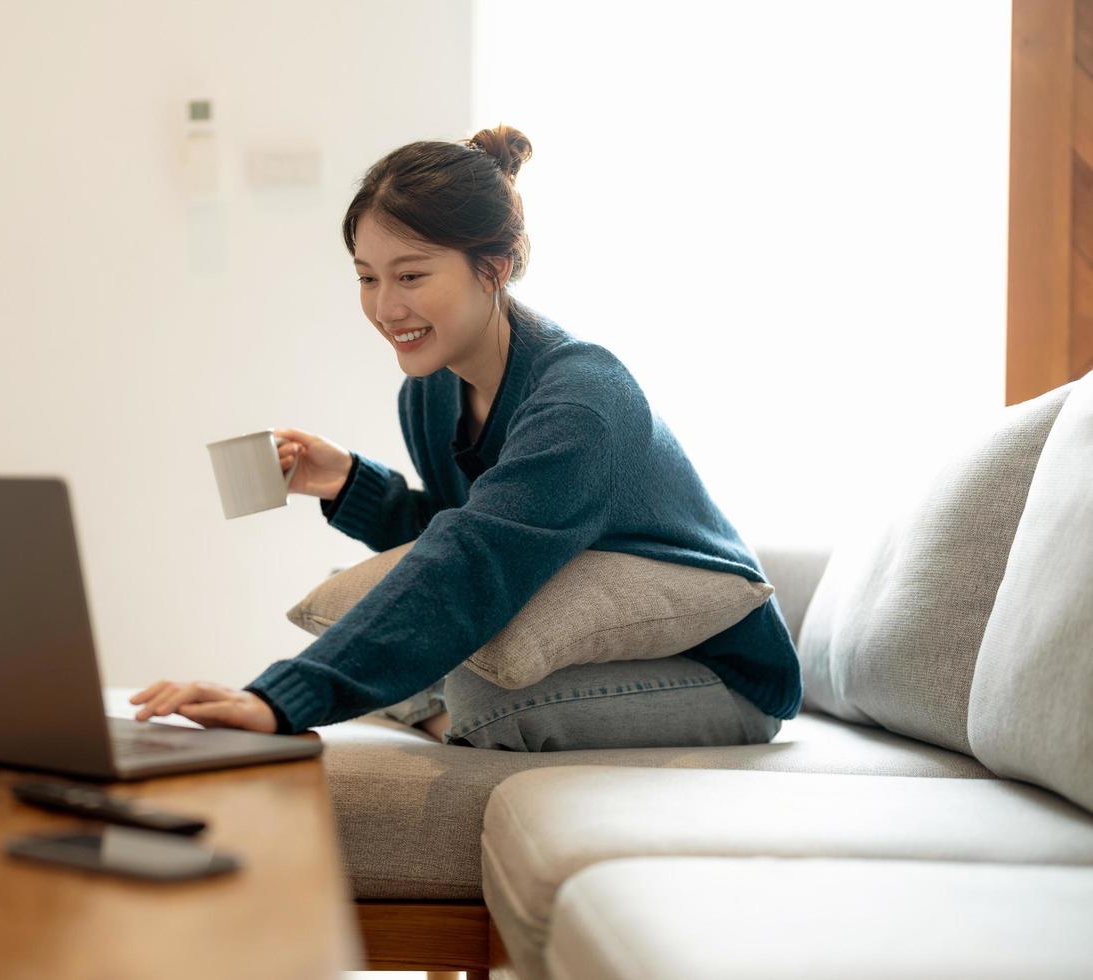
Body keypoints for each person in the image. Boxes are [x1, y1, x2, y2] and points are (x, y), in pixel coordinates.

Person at [130, 125, 800, 750]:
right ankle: (430, 702)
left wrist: (282, 699)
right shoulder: (428, 392)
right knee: (382, 612)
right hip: (576, 636)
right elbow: (468, 526)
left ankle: (442, 712)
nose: (387, 308)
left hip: (719, 676)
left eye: (412, 275)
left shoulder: (582, 401)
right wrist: (348, 484)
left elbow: (476, 558)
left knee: (475, 688)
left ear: (495, 267)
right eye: (368, 277)